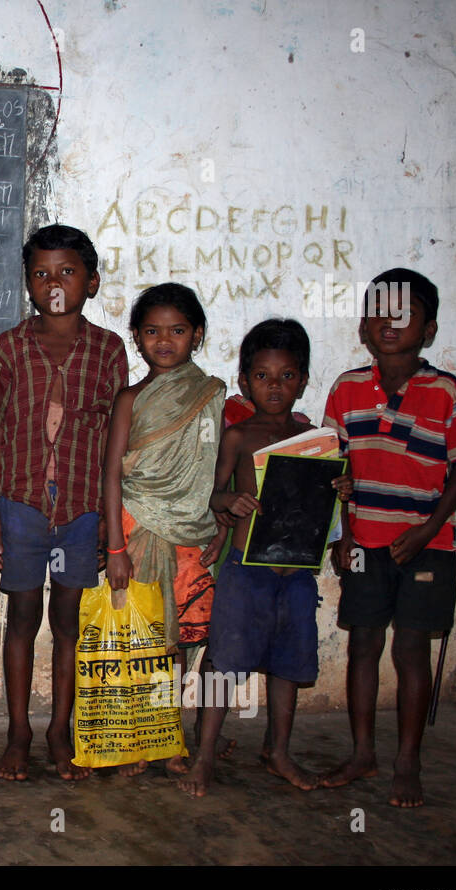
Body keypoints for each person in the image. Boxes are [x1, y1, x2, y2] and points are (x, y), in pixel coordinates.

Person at [320, 269, 456, 808]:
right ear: (364, 325)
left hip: (427, 543)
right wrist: (341, 534)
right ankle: (363, 752)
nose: (388, 322)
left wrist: (430, 529)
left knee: (412, 649)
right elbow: (335, 467)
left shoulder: (445, 391)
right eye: (378, 312)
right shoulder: (346, 389)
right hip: (365, 541)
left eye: (403, 313)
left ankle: (407, 760)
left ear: (428, 328)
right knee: (364, 643)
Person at [177, 320, 353, 796]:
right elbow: (212, 496)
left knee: (288, 664)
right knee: (223, 661)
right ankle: (206, 754)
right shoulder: (239, 437)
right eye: (262, 376)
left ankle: (278, 751)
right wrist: (229, 503)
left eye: (287, 376)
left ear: (304, 379)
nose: (274, 386)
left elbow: (332, 513)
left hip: (295, 574)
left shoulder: (317, 439)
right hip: (244, 571)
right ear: (244, 381)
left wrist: (341, 489)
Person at [0, 224, 129, 781]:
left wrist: (107, 526)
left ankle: (58, 730)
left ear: (90, 282)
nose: (54, 283)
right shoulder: (11, 346)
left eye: (66, 271)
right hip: (21, 508)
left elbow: (117, 442)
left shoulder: (108, 350)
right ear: (27, 282)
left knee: (67, 621)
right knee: (22, 618)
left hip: (81, 512)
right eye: (41, 273)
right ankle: (18, 732)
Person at [102, 283, 226, 777]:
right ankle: (133, 738)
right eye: (152, 331)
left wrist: (217, 520)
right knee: (138, 638)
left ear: (196, 335)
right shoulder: (130, 398)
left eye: (177, 331)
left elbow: (214, 468)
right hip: (135, 528)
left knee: (177, 644)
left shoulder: (210, 396)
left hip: (189, 534)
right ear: (136, 337)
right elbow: (111, 473)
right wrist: (114, 545)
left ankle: (166, 734)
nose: (165, 341)